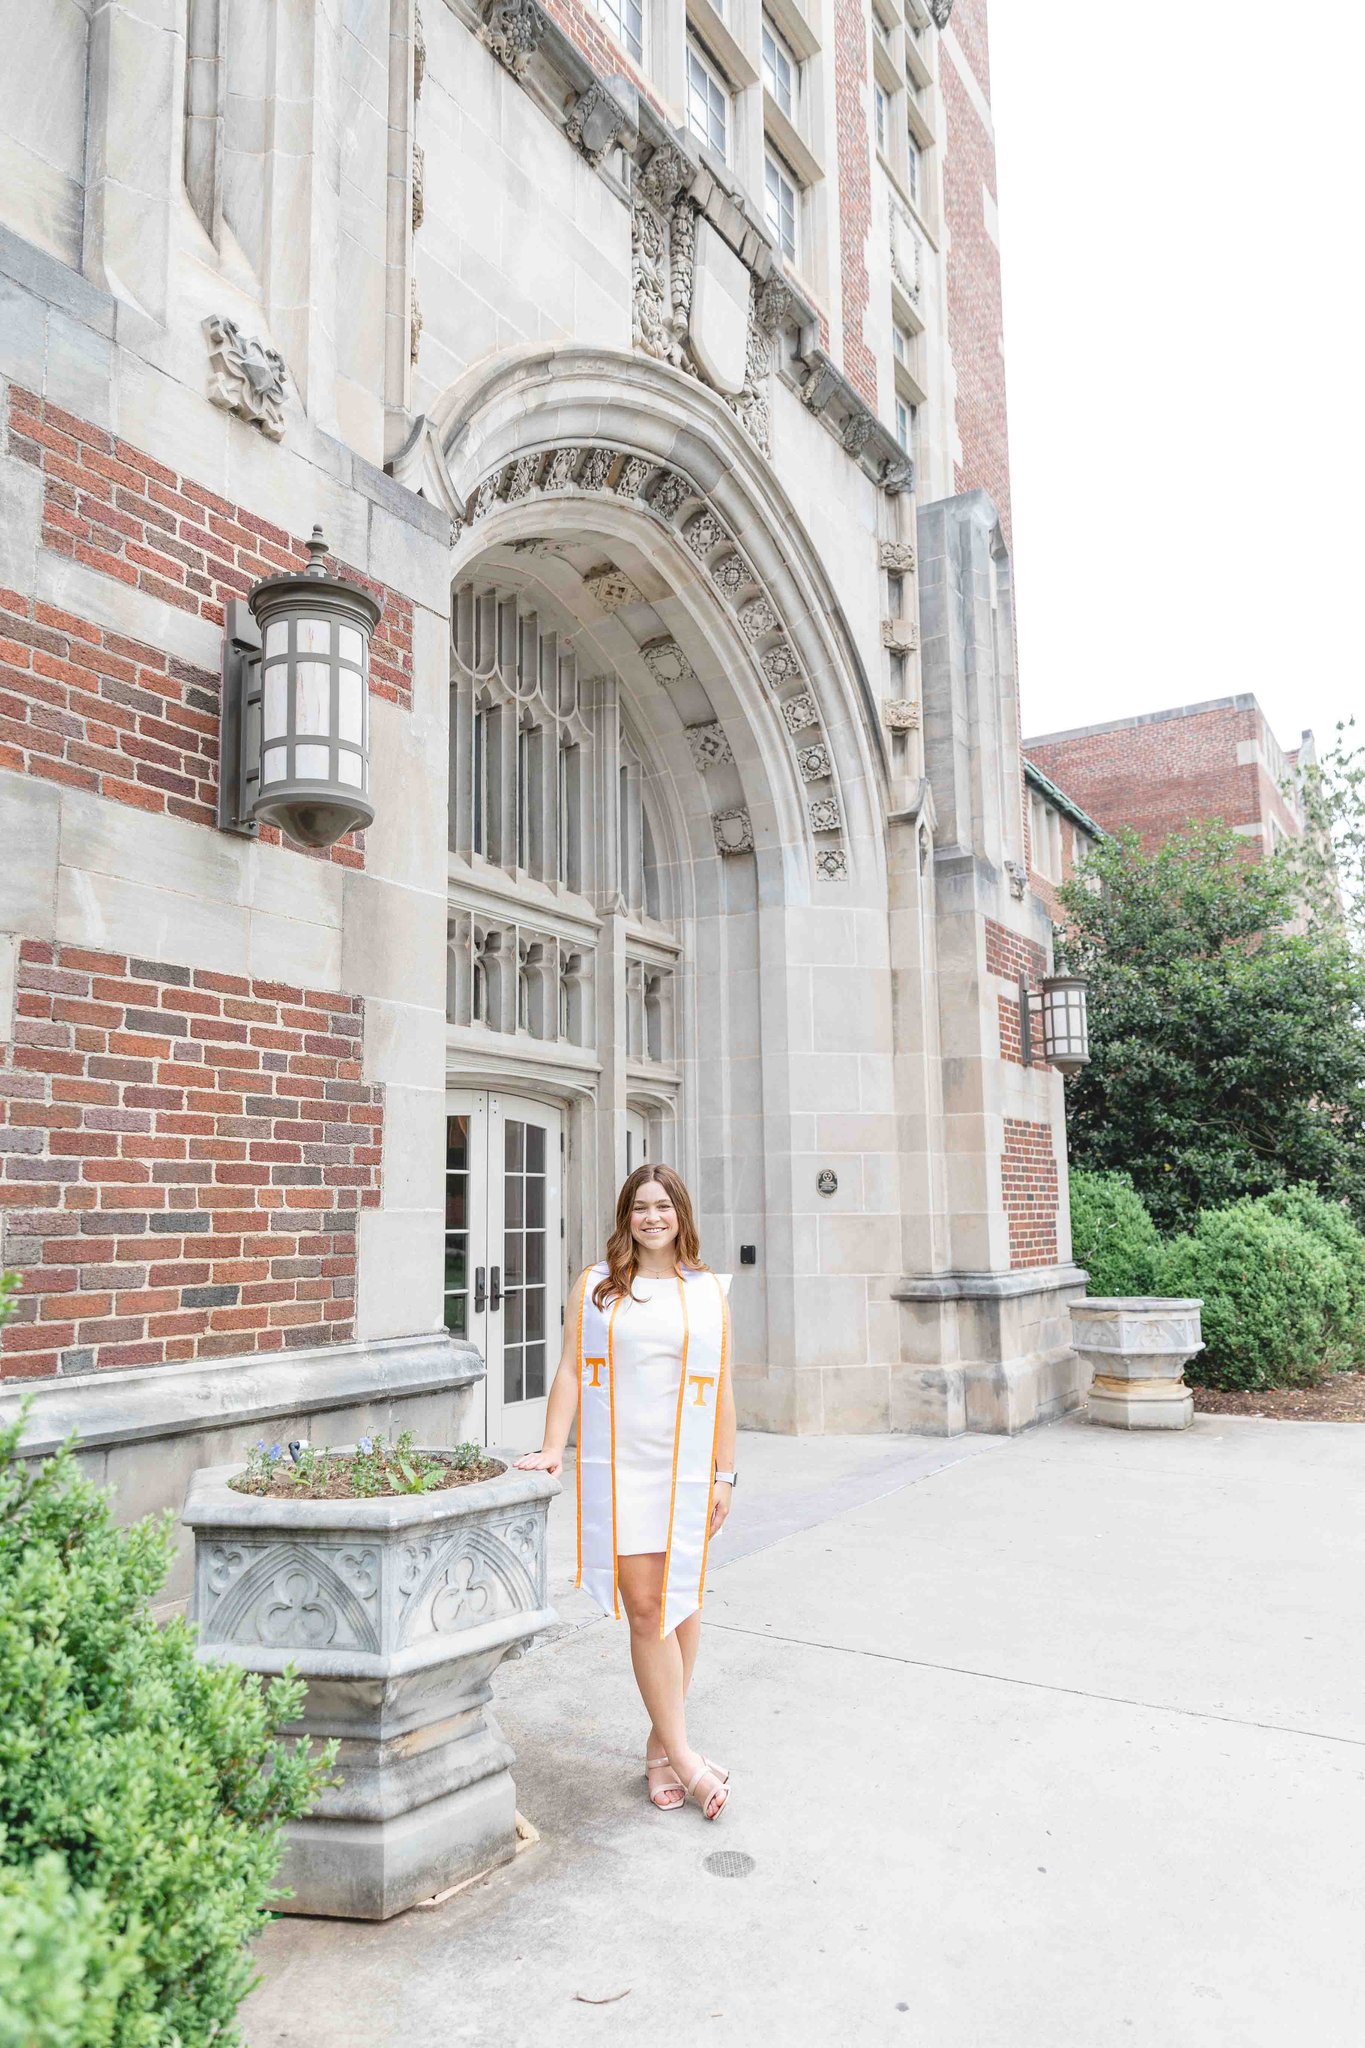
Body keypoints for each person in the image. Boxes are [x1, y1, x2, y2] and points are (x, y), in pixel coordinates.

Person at [515, 1163, 738, 1820]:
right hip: (623, 1470)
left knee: (682, 1606)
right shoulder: (598, 1287)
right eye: (639, 1207)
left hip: (687, 1470)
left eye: (662, 1206)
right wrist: (554, 1447)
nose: (651, 1218)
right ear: (625, 1217)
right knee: (646, 1613)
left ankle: (658, 1747)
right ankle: (687, 1759)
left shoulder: (704, 1292)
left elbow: (723, 1389)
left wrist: (725, 1474)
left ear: (680, 1215)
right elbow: (567, 1371)